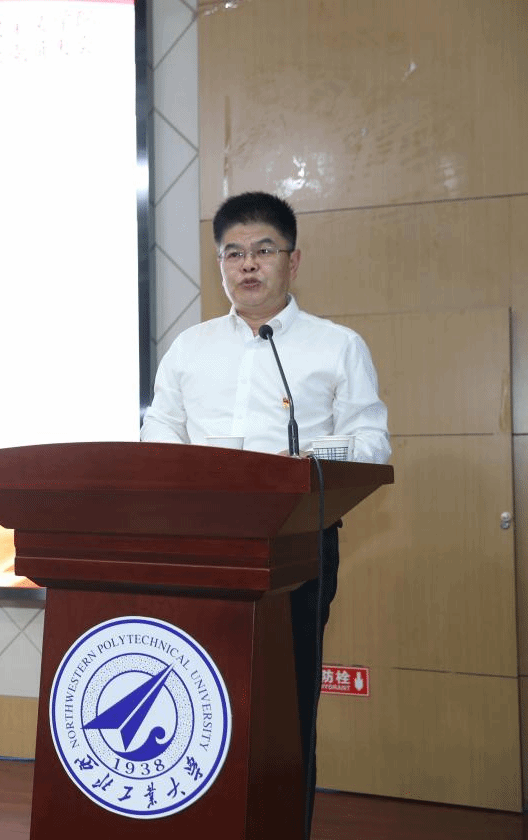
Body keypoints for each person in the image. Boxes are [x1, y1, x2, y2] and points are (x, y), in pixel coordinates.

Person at [140, 191, 390, 837]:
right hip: (202, 546)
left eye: (263, 250)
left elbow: (371, 443)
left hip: (298, 544)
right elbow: (159, 429)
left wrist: (313, 463)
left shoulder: (336, 346)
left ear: (292, 261)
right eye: (233, 253)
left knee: (287, 698)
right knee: (195, 692)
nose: (247, 264)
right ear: (220, 264)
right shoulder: (190, 348)